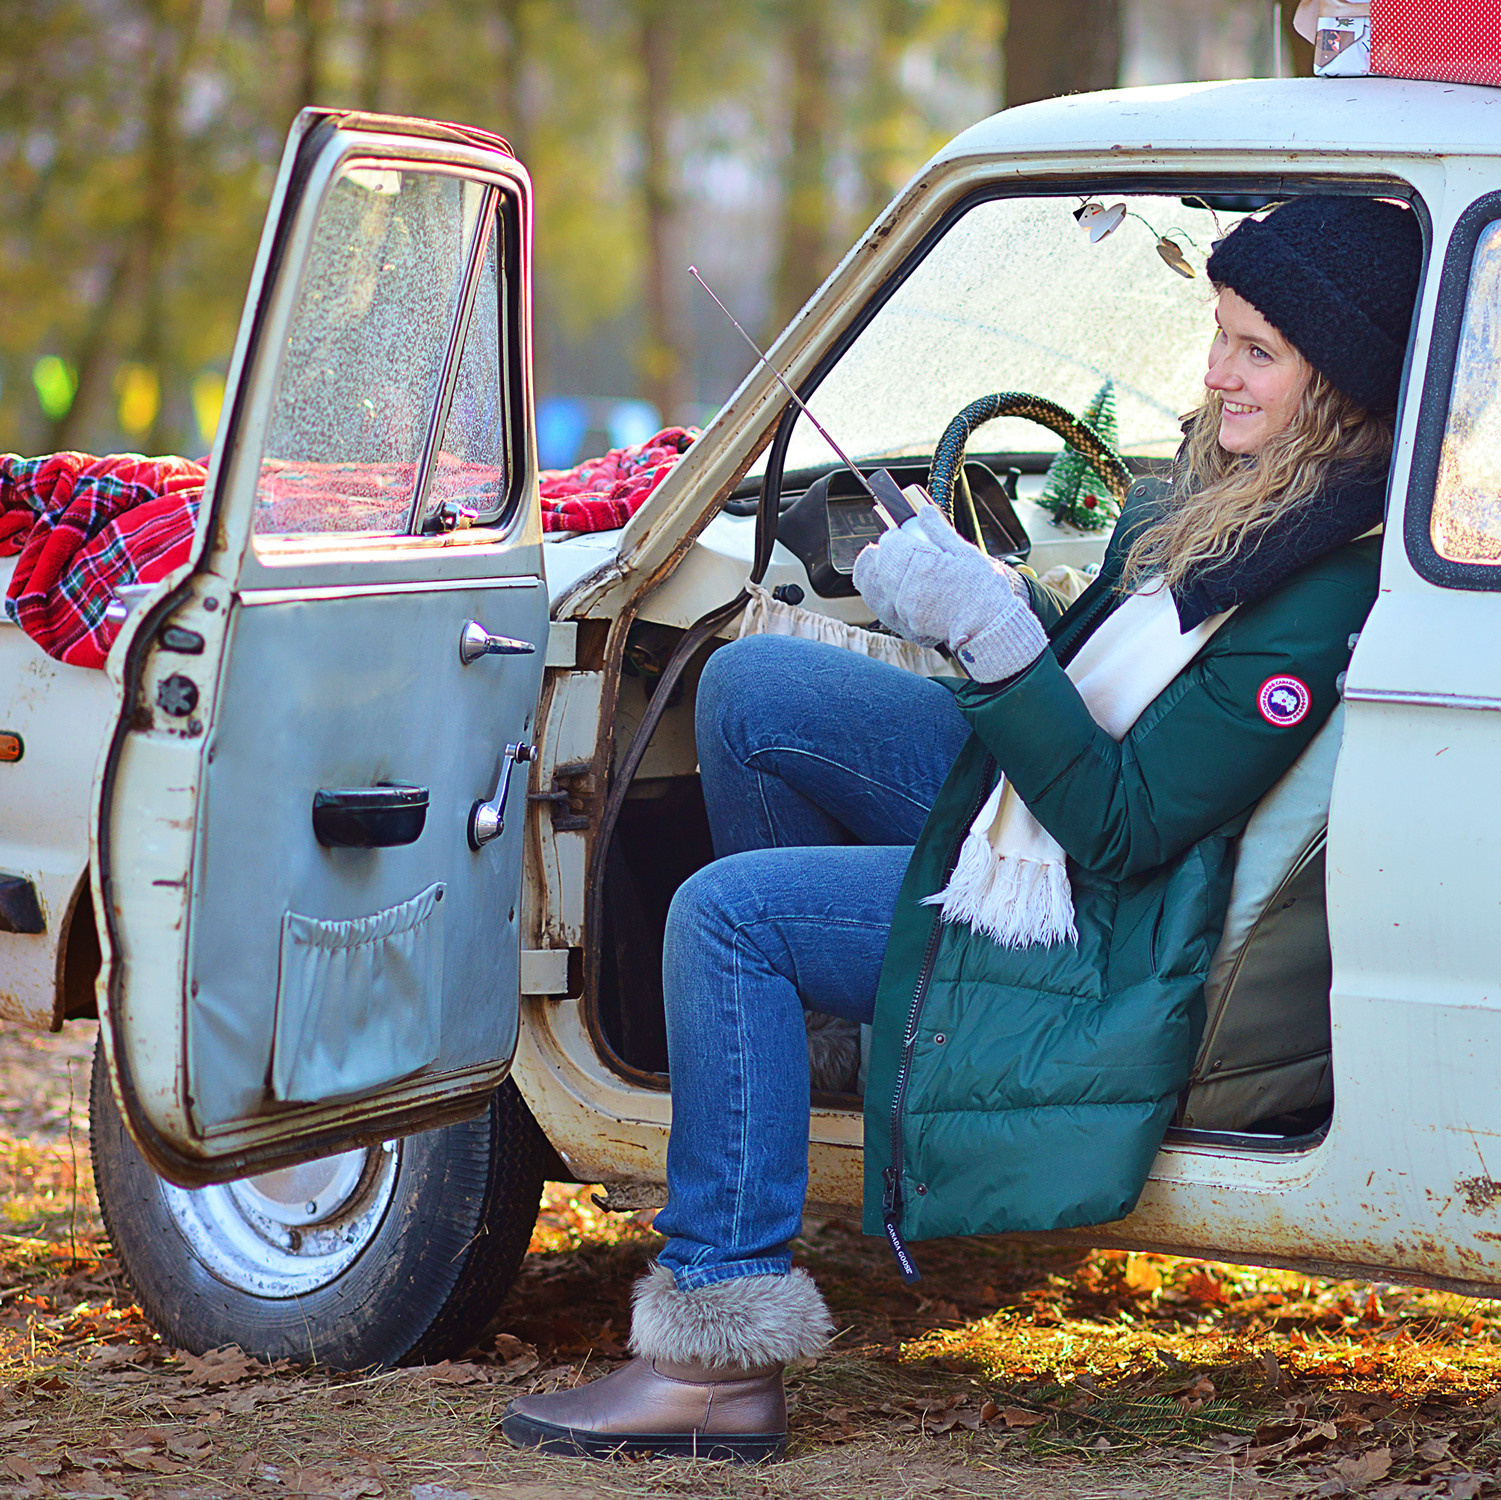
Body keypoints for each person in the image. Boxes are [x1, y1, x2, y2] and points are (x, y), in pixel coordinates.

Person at [501, 194, 1423, 1462]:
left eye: (1256, 351)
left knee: (729, 919)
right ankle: (837, 1051)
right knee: (754, 687)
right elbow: (1104, 680)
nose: (1216, 376)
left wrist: (991, 641)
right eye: (1218, 336)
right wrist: (989, 602)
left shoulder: (1320, 588)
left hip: (1097, 919)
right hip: (1034, 819)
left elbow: (1123, 826)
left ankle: (711, 1364)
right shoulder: (1239, 506)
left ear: (1344, 384)